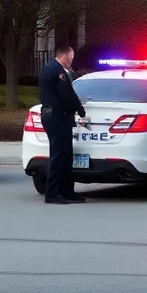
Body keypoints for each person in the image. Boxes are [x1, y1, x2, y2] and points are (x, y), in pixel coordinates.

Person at [38, 45, 87, 204]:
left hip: (54, 115)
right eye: (71, 58)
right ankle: (52, 193)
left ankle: (67, 191)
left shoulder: (49, 68)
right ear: (65, 56)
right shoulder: (58, 72)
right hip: (57, 116)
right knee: (59, 156)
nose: (71, 61)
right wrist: (80, 110)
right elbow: (67, 95)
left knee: (66, 155)